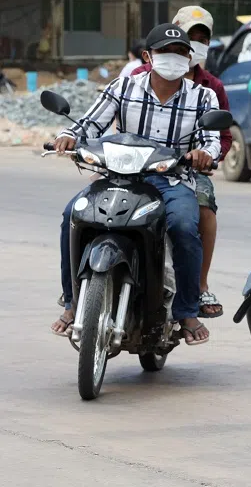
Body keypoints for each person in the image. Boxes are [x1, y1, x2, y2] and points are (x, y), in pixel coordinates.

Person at [50, 22, 221, 345]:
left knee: (186, 226)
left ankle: (186, 310)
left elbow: (211, 140)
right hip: (118, 176)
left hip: (171, 179)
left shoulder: (203, 96)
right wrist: (68, 136)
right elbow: (89, 123)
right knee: (72, 215)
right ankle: (72, 302)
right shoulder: (123, 87)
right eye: (164, 52)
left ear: (189, 58)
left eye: (180, 52)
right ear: (148, 56)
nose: (173, 57)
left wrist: (203, 153)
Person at [130, 6, 232, 318]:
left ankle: (198, 286)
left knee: (199, 211)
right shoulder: (134, 82)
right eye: (190, 37)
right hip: (134, 165)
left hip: (184, 169)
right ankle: (76, 297)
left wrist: (207, 157)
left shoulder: (209, 88)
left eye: (202, 39)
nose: (194, 45)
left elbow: (221, 137)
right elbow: (106, 122)